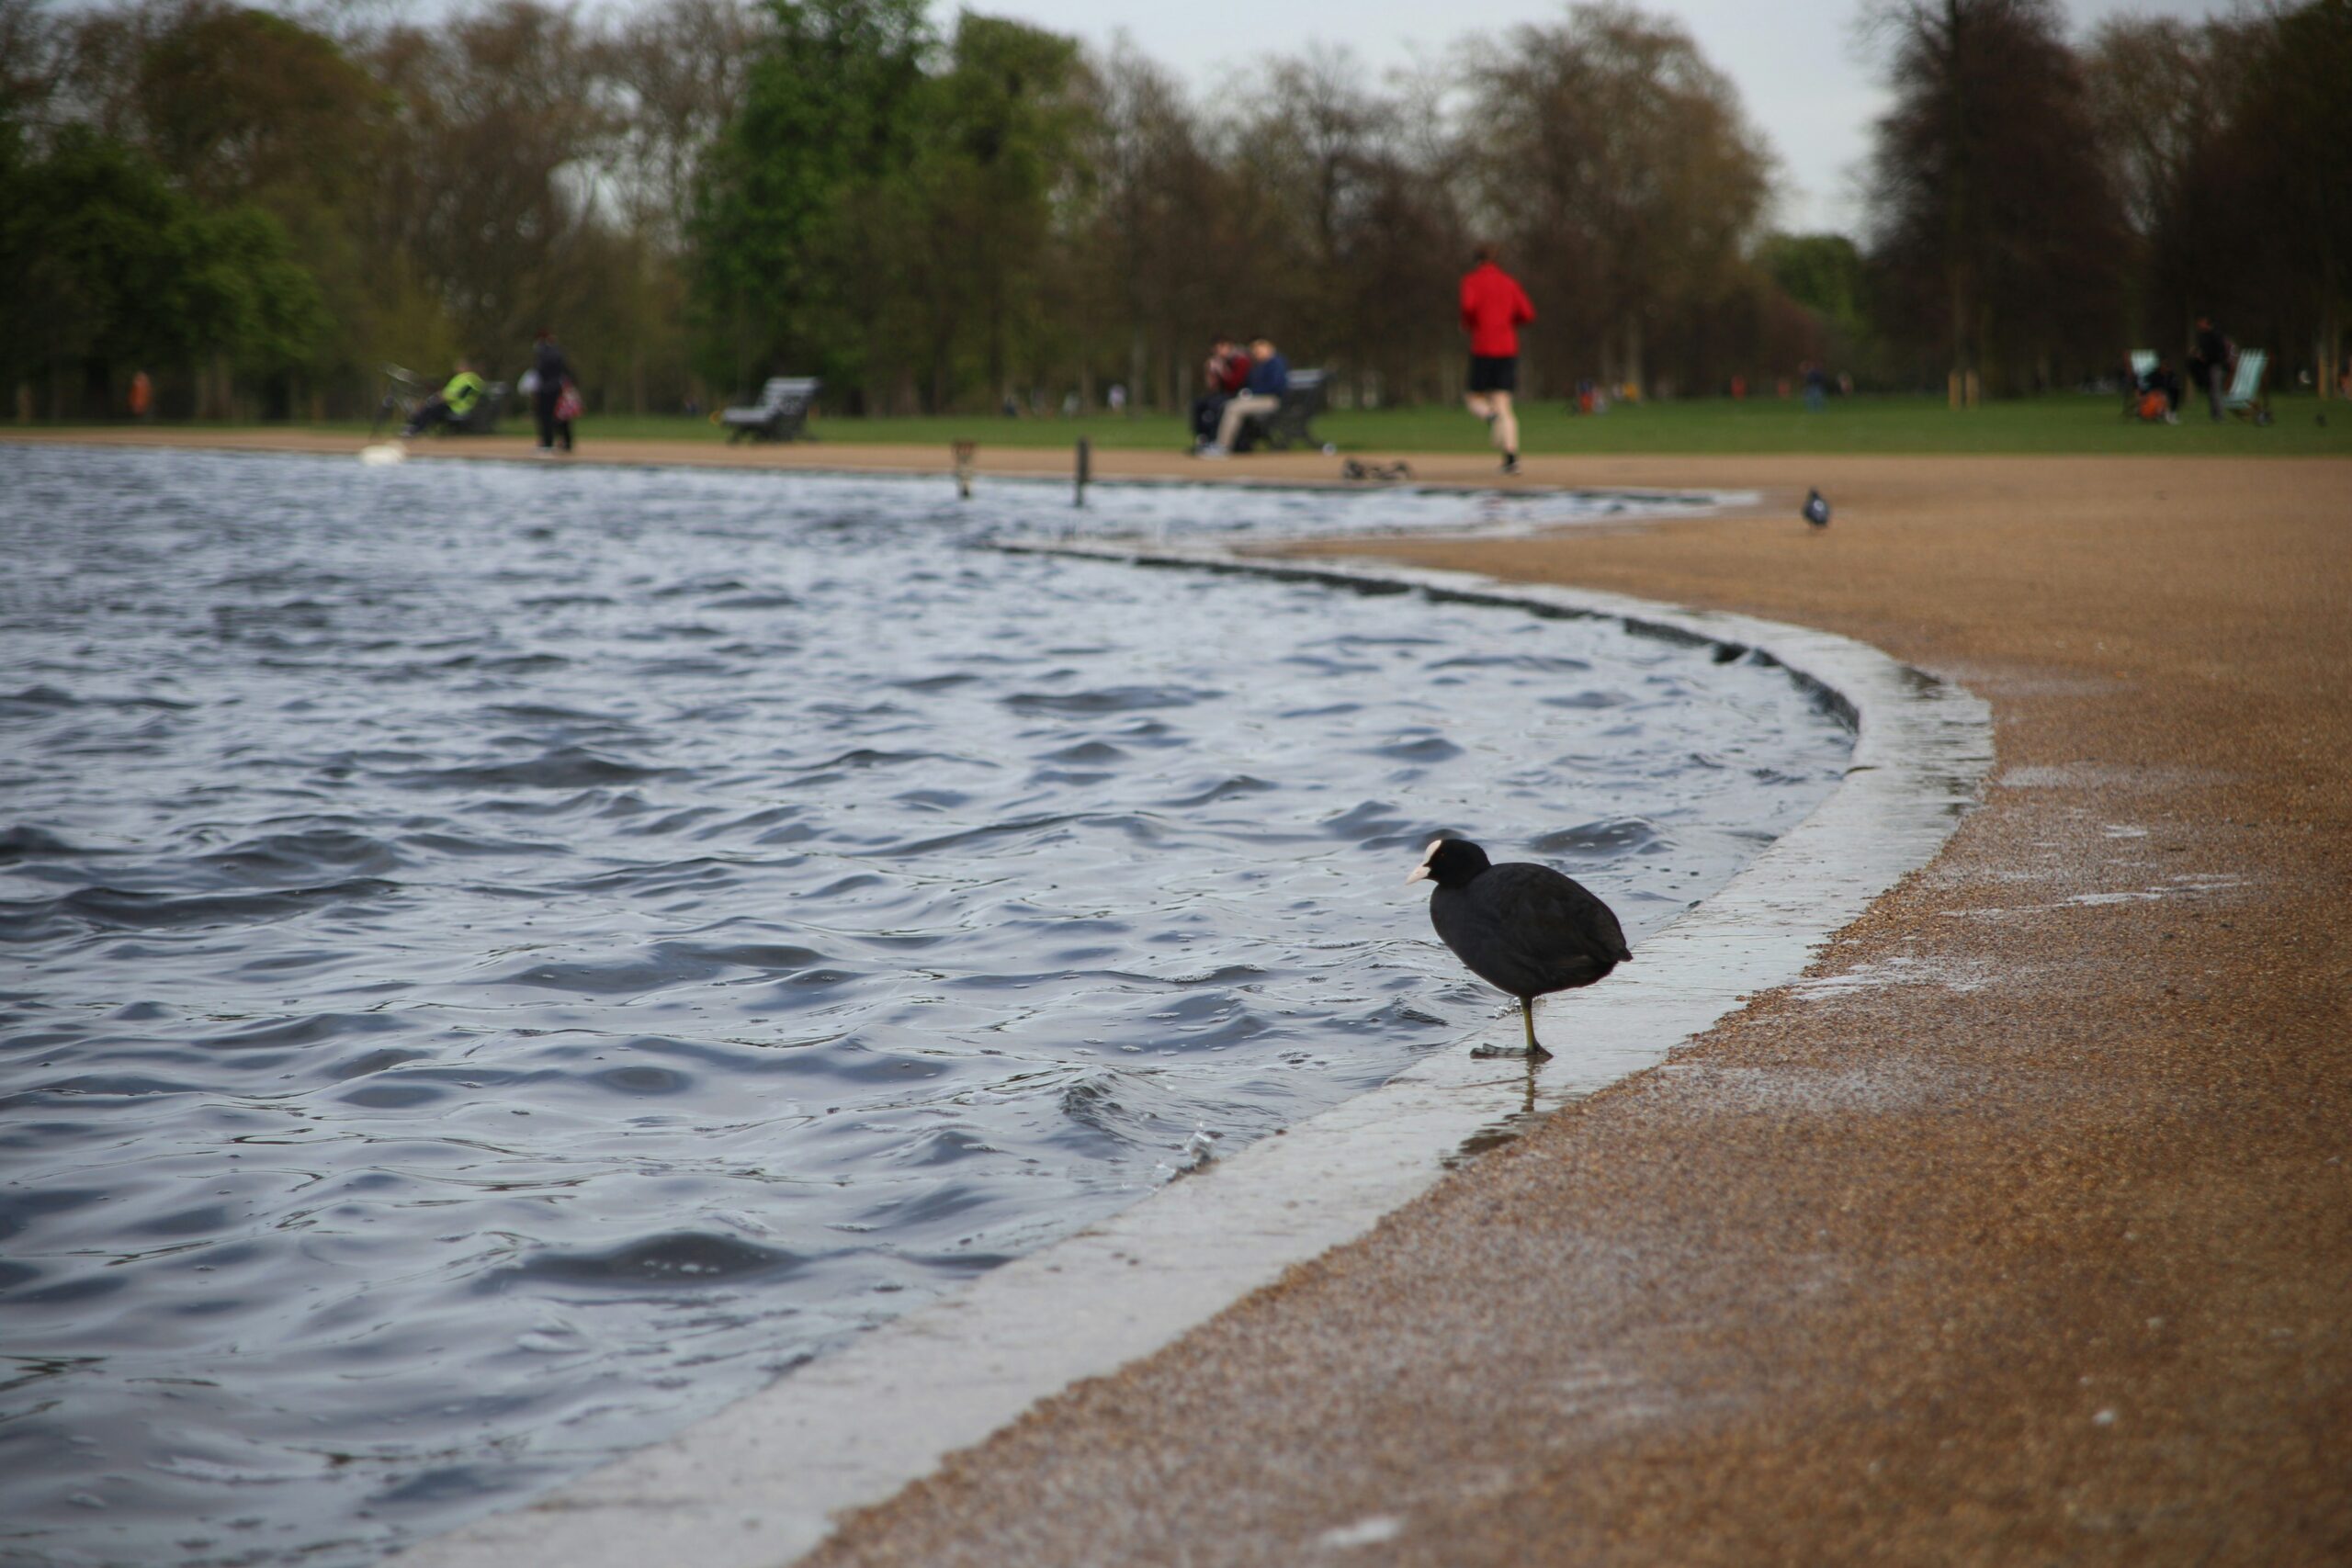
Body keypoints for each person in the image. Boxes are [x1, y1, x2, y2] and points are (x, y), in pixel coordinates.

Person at [1459, 243, 1535, 474]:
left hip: (1483, 347)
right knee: (1504, 403)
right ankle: (1511, 459)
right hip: (1507, 348)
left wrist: (1472, 325)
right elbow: (1527, 313)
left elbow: (1467, 307)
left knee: (1473, 399)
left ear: (1476, 260)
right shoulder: (1509, 282)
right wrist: (1507, 324)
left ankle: (1491, 417)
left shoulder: (1472, 281)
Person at [1201, 337, 1286, 457]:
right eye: (1255, 351)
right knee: (1226, 404)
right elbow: (1248, 382)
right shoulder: (1259, 365)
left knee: (1233, 407)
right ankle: (1219, 442)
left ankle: (1222, 446)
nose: (1257, 353)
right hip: (1259, 399)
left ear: (1268, 348)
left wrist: (1252, 393)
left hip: (1271, 400)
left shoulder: (1276, 363)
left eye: (1260, 350)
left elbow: (1275, 387)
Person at [1191, 337, 1251, 451]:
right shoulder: (1218, 361)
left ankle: (1215, 440)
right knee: (1198, 404)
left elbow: (1234, 384)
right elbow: (1212, 387)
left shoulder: (1240, 361)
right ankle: (1203, 438)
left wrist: (1222, 371)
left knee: (1215, 405)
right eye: (1216, 349)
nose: (1219, 351)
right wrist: (1211, 372)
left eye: (1222, 347)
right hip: (1223, 394)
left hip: (1238, 394)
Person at [402, 360, 485, 437]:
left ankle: (414, 428)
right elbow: (447, 392)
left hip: (458, 407)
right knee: (428, 407)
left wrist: (441, 398)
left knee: (431, 409)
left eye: (461, 365)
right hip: (450, 404)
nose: (458, 368)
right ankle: (413, 426)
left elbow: (459, 394)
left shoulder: (471, 378)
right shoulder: (459, 378)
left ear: (468, 367)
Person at [531, 330, 571, 454]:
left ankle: (548, 442)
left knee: (545, 416)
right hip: (557, 387)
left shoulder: (543, 353)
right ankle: (567, 441)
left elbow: (541, 372)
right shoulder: (559, 352)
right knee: (560, 416)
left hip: (546, 389)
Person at [2189, 316, 2234, 423]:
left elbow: (2219, 352)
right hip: (2208, 366)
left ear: (2206, 323)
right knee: (2212, 391)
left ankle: (2219, 415)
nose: (2199, 325)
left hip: (2216, 365)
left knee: (2216, 390)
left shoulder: (2215, 335)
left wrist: (2204, 356)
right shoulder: (2204, 336)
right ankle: (2215, 415)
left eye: (2201, 322)